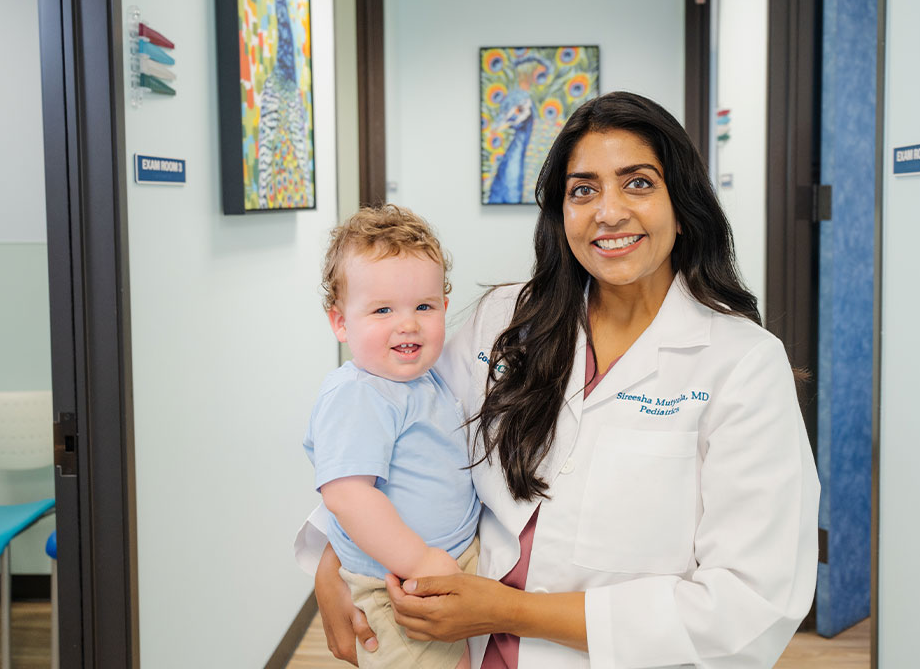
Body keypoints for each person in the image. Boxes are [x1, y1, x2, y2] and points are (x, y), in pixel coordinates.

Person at [295, 91, 820, 668]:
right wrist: (329, 560)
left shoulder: (742, 363)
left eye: (638, 183)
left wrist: (508, 611)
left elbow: (748, 602)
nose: (609, 211)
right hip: (461, 651)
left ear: (682, 201)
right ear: (560, 211)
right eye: (583, 190)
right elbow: (404, 425)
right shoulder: (503, 319)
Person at [303, 205, 481, 669]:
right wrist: (420, 561)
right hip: (398, 584)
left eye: (424, 306)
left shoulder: (423, 379)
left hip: (445, 565)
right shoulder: (359, 394)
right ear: (340, 322)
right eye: (382, 310)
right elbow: (347, 496)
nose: (408, 323)